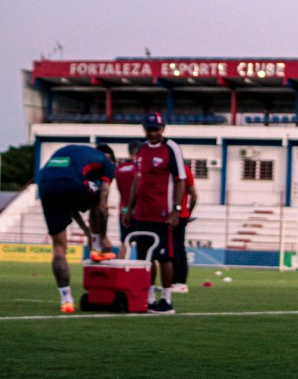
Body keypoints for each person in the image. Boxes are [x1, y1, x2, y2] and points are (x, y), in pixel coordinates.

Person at [37, 143, 116, 313]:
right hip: (71, 181)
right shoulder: (107, 164)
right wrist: (103, 237)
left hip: (45, 183)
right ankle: (97, 247)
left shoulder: (79, 155)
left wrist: (87, 233)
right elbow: (102, 206)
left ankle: (66, 300)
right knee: (98, 201)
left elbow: (72, 208)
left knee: (59, 248)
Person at [123, 112, 186, 314]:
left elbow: (180, 180)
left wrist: (176, 210)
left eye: (156, 129)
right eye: (149, 129)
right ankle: (148, 298)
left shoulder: (171, 148)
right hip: (141, 213)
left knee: (164, 257)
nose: (153, 133)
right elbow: (136, 180)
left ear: (163, 129)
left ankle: (166, 300)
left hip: (162, 213)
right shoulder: (141, 149)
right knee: (145, 259)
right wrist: (129, 208)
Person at [171, 163, 198, 293]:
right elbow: (194, 195)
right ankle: (176, 282)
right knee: (176, 248)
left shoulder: (182, 169)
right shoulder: (183, 169)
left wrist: (187, 214)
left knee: (176, 249)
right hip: (180, 215)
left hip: (174, 215)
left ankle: (179, 282)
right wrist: (188, 213)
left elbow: (194, 195)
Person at [114, 140, 141, 259]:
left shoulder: (119, 168)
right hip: (138, 212)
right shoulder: (139, 168)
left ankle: (120, 275)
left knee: (124, 244)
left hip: (123, 210)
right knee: (143, 246)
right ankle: (144, 275)